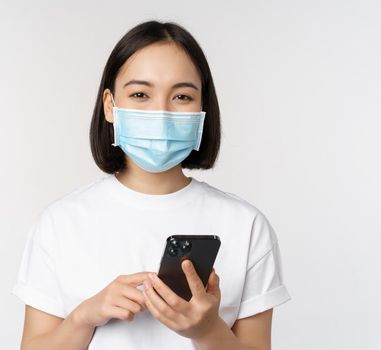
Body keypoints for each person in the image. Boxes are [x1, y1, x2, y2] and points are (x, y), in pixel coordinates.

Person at [11, 20, 291, 350]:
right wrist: (84, 316)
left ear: (202, 108)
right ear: (110, 106)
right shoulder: (60, 223)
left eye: (182, 96)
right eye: (140, 94)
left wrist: (206, 330)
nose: (161, 113)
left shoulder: (246, 226)